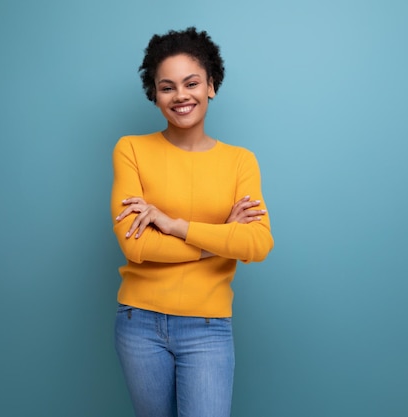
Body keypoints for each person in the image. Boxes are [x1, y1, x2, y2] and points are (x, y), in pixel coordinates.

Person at [111, 27, 274, 417]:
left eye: (191, 83)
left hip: (208, 325)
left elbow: (257, 244)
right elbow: (136, 246)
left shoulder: (240, 162)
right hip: (139, 322)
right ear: (155, 95)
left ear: (211, 86)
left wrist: (173, 225)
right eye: (167, 87)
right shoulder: (131, 149)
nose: (181, 96)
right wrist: (219, 238)